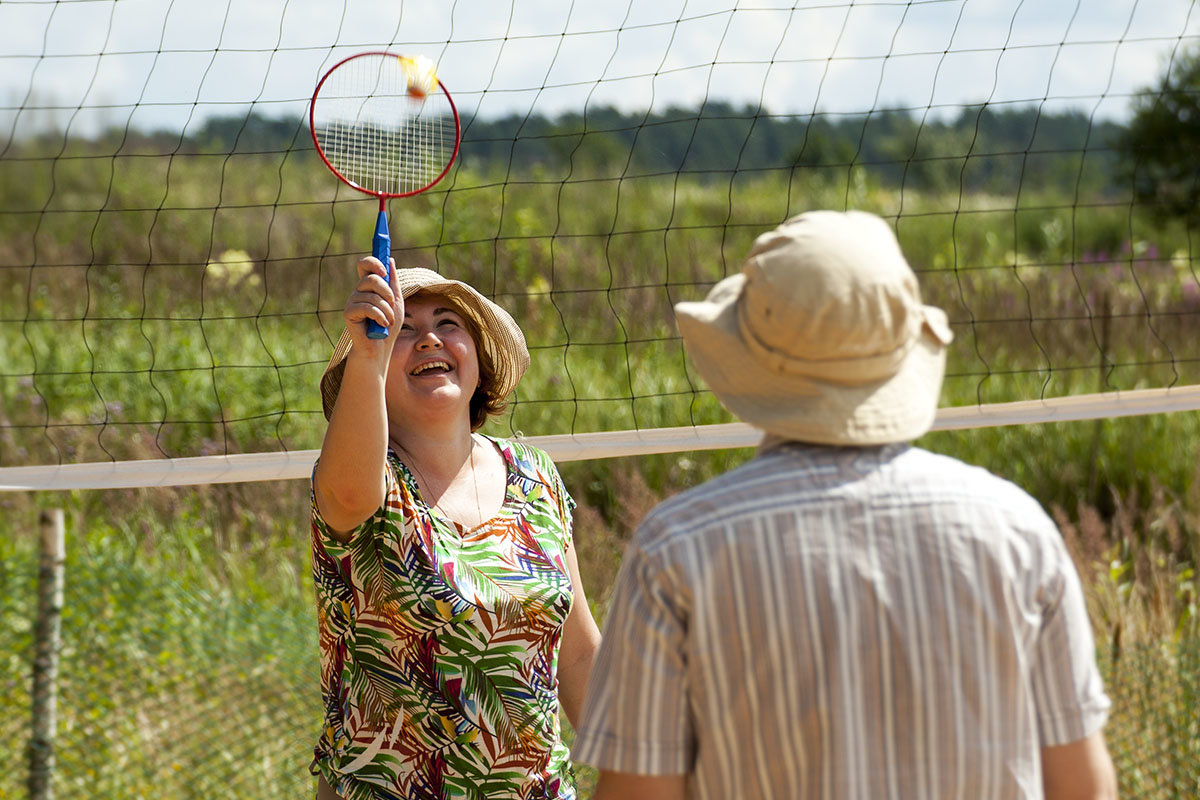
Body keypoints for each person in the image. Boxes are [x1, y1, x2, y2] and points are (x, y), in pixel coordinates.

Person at [571, 210, 1117, 800]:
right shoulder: (1019, 530)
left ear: (750, 357)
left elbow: (640, 793)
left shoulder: (676, 547)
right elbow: (1081, 785)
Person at [310, 257, 601, 800]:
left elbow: (579, 654)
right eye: (403, 329)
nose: (428, 340)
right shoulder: (365, 482)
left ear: (479, 358)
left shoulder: (534, 475)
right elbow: (349, 494)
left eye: (448, 324)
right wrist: (369, 351)